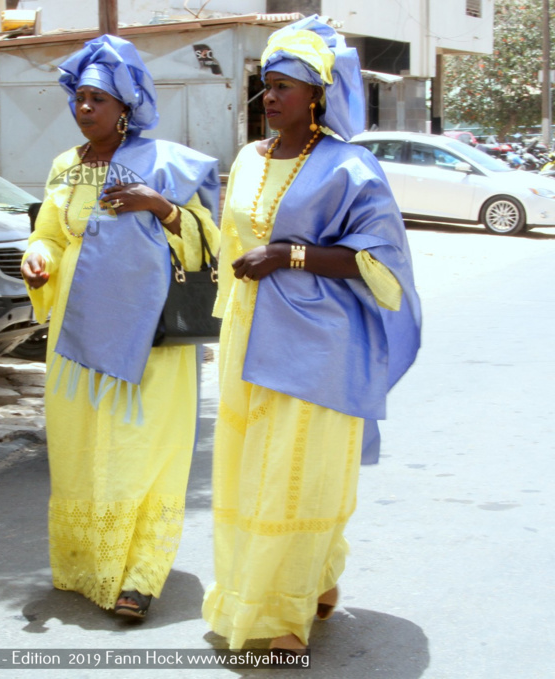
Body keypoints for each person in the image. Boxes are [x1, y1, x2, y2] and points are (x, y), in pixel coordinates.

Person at [201, 16, 421, 652]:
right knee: (250, 474)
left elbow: (380, 262)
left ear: (316, 96)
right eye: (266, 85)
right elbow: (233, 242)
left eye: (286, 86)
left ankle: (280, 617)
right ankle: (310, 580)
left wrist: (290, 256)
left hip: (320, 344)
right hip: (248, 335)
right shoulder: (246, 159)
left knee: (294, 477)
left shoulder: (350, 167)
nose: (271, 98)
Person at [21, 35, 220, 619]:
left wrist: (160, 207)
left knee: (141, 447)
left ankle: (140, 573)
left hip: (146, 330)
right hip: (76, 331)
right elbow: (52, 235)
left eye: (96, 99)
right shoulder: (65, 167)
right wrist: (39, 259)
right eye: (77, 98)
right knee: (80, 443)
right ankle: (88, 562)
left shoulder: (164, 162)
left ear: (125, 107)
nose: (83, 109)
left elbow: (209, 241)